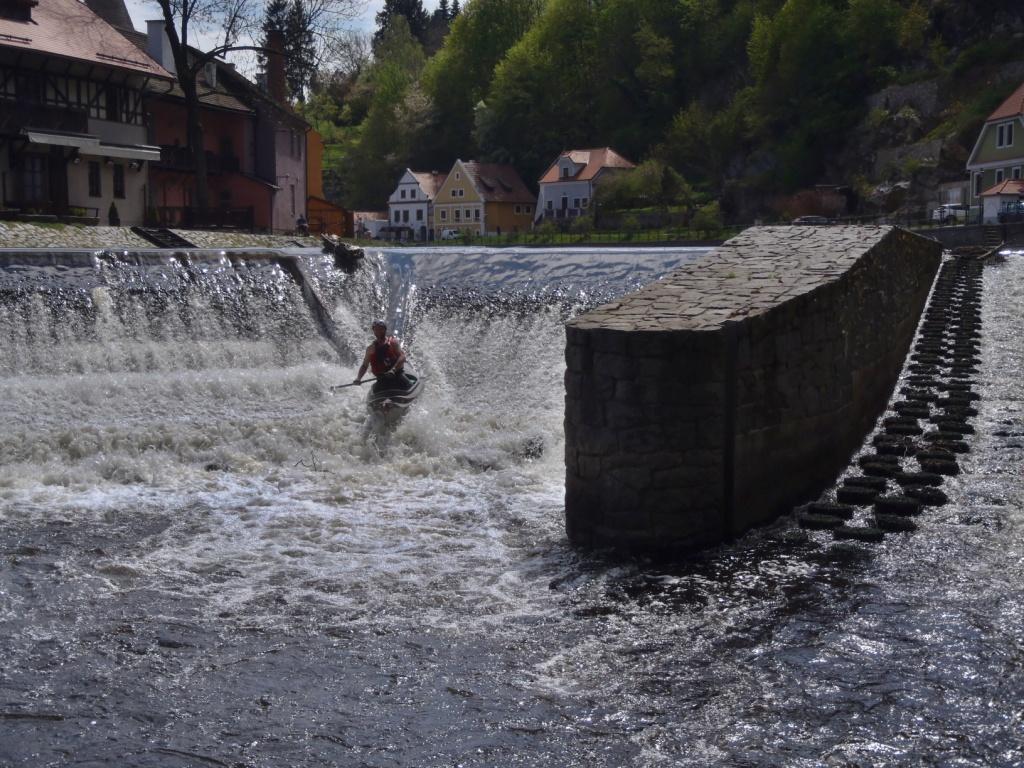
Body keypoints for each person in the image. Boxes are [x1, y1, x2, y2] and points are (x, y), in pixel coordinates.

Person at [354, 319, 410, 390]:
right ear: (373, 331)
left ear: (385, 329)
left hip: (397, 375)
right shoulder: (370, 349)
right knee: (377, 389)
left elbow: (402, 356)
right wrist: (358, 378)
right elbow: (365, 365)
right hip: (382, 379)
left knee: (408, 385)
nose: (378, 331)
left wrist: (393, 369)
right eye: (376, 329)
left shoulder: (393, 342)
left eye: (381, 329)